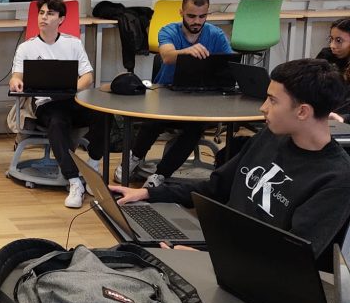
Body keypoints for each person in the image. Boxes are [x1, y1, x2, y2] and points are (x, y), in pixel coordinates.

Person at [110, 59, 350, 259]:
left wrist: (206, 261)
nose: (263, 108)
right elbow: (215, 187)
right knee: (122, 251)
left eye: (273, 100)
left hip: (252, 275)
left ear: (302, 111)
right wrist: (149, 193)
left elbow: (290, 258)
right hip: (221, 251)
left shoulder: (336, 178)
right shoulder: (270, 137)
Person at [114, 0, 232, 187]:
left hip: (201, 99)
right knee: (152, 122)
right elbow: (167, 56)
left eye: (202, 16)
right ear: (181, 12)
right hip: (168, 94)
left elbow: (230, 63)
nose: (197, 21)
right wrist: (187, 52)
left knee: (194, 129)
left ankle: (160, 175)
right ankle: (133, 158)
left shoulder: (216, 35)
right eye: (191, 16)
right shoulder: (169, 31)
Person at [9, 0, 106, 208]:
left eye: (50, 14)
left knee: (102, 113)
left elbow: (88, 76)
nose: (44, 17)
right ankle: (74, 181)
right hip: (46, 104)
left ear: (61, 19)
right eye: (41, 13)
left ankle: (93, 165)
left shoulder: (73, 43)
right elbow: (16, 75)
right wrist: (16, 82)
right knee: (57, 120)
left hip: (73, 99)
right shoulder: (27, 47)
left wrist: (71, 88)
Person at [314, 17, 350, 122]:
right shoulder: (326, 55)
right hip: (324, 114)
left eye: (339, 41)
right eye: (331, 39)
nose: (332, 45)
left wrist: (343, 118)